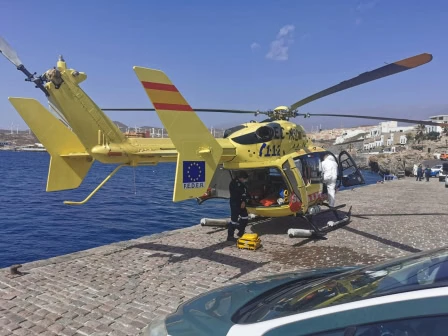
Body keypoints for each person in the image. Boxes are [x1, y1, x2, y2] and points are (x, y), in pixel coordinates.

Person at [227, 171, 250, 242]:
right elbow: (241, 193)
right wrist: (243, 201)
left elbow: (245, 193)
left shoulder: (241, 184)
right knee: (234, 220)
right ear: (242, 178)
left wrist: (244, 201)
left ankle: (241, 231)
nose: (246, 180)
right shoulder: (235, 184)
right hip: (235, 203)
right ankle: (230, 236)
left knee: (245, 217)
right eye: (245, 179)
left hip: (241, 203)